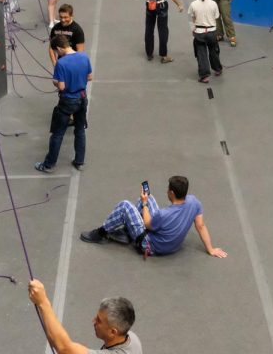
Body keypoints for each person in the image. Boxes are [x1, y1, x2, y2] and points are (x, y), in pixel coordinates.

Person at [80, 175, 227, 260]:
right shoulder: (194, 202)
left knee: (126, 205)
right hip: (172, 245)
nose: (166, 191)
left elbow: (148, 224)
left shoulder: (164, 214)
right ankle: (128, 231)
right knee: (149, 198)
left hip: (150, 245)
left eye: (168, 190)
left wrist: (144, 204)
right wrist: (211, 249)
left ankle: (101, 233)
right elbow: (200, 226)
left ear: (172, 194)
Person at [27, 279, 142, 354]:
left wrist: (43, 303)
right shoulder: (131, 338)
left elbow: (65, 348)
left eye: (99, 321)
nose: (93, 321)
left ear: (113, 332)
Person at [35, 34, 93, 172]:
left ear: (60, 48)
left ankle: (49, 164)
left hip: (68, 100)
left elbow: (61, 86)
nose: (57, 54)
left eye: (57, 51)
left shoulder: (61, 63)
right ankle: (79, 161)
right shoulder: (84, 56)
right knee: (80, 130)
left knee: (58, 133)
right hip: (82, 97)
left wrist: (55, 81)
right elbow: (89, 77)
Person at [188, 0, 222, 83]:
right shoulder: (213, 3)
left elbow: (193, 18)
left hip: (199, 32)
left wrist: (193, 29)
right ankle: (217, 69)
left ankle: (204, 75)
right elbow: (216, 17)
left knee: (201, 53)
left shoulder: (193, 4)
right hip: (212, 31)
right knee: (214, 51)